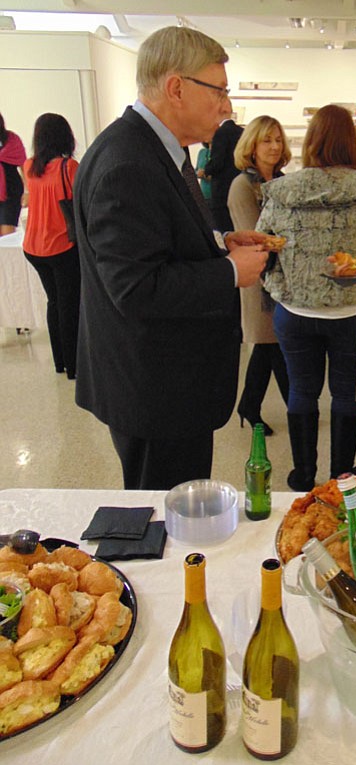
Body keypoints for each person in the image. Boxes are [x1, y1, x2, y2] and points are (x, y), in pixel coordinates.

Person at [73, 26, 269, 490]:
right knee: (163, 518)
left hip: (163, 382)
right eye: (218, 90)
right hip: (156, 390)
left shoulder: (153, 148)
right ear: (176, 87)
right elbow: (136, 288)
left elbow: (155, 242)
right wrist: (229, 271)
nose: (226, 105)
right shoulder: (128, 163)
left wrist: (220, 242)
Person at [257, 104, 356, 491]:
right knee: (347, 394)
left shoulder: (282, 191)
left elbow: (266, 244)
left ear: (311, 141)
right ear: (351, 141)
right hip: (352, 311)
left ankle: (302, 474)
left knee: (302, 390)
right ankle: (341, 476)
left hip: (295, 309)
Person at [229, 116, 291, 434]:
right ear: (251, 145)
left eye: (278, 140)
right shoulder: (243, 186)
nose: (274, 146)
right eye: (267, 140)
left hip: (283, 276)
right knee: (271, 342)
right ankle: (291, 406)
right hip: (258, 276)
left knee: (271, 344)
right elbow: (254, 236)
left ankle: (251, 406)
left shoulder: (281, 181)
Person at [22, 114, 80, 379]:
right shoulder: (69, 167)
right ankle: (74, 365)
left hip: (33, 245)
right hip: (61, 244)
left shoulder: (30, 165)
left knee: (54, 301)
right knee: (69, 304)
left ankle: (59, 362)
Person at [208, 98, 243, 232]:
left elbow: (217, 162)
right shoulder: (242, 132)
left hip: (222, 191)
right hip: (238, 187)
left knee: (224, 232)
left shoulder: (220, 133)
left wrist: (206, 169)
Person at [0, 113, 27, 236]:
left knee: (7, 234)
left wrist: (29, 191)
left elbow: (24, 167)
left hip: (11, 193)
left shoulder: (12, 139)